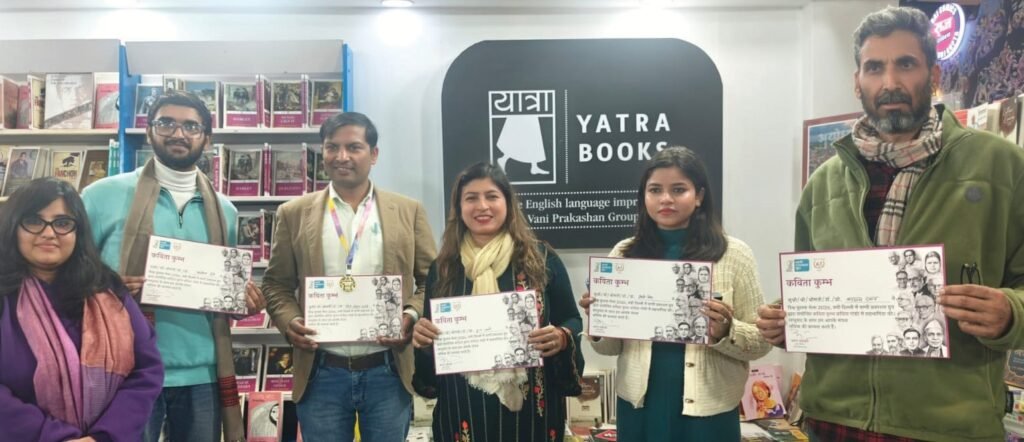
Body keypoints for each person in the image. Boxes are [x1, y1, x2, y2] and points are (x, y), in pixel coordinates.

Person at [756, 7, 1024, 441]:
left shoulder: (1002, 167)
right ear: (857, 81)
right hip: (833, 420)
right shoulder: (823, 184)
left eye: (906, 64)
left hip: (948, 428)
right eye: (875, 67)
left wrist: (1011, 313)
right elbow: (813, 286)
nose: (890, 82)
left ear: (933, 75)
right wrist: (790, 321)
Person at [82, 90, 265, 442]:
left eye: (191, 126)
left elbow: (220, 287)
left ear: (206, 138)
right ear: (149, 131)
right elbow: (69, 275)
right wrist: (108, 288)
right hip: (125, 369)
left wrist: (241, 300)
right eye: (166, 123)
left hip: (202, 372)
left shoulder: (225, 211)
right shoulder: (101, 196)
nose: (178, 133)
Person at [261, 112, 437, 442]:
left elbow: (433, 280)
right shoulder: (293, 213)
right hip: (321, 371)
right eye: (332, 147)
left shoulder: (408, 210)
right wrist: (290, 321)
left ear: (373, 154)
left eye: (354, 147)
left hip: (388, 369)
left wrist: (411, 315)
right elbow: (275, 284)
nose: (342, 156)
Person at [580, 147, 772, 441]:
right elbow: (609, 349)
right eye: (655, 190)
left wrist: (725, 331)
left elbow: (761, 342)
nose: (666, 199)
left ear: (699, 196)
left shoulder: (734, 255)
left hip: (709, 411)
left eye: (679, 189)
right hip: (640, 406)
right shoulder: (624, 253)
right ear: (644, 196)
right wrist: (598, 323)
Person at [411, 162, 584, 441]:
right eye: (471, 198)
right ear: (459, 207)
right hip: (463, 409)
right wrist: (422, 337)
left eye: (492, 196)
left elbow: (572, 318)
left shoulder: (541, 258)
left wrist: (563, 336)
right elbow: (431, 336)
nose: (482, 206)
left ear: (508, 203)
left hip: (533, 412)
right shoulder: (444, 268)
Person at [0, 178, 164, 442]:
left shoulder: (108, 290)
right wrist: (56, 437)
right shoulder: (5, 298)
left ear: (79, 232)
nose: (49, 233)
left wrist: (104, 436)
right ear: (13, 227)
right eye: (33, 221)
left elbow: (146, 369)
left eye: (63, 223)